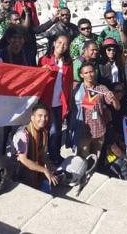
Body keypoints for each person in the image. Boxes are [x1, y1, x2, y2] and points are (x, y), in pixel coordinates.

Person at [39, 33, 73, 164]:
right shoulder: (44, 60)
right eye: (59, 42)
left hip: (59, 102)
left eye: (65, 44)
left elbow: (69, 83)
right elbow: (36, 79)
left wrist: (68, 102)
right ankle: (41, 155)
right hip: (45, 101)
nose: (61, 46)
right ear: (53, 43)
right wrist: (42, 70)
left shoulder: (68, 63)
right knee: (44, 130)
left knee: (56, 131)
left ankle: (55, 156)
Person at [74, 62, 120, 158]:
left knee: (95, 156)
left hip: (99, 129)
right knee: (82, 156)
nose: (89, 75)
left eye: (91, 72)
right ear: (81, 75)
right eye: (86, 73)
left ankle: (92, 170)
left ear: (95, 72)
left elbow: (117, 107)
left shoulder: (101, 88)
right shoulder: (77, 89)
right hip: (83, 129)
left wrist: (114, 98)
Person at [13, 103, 58, 190]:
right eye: (40, 116)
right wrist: (45, 170)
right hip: (19, 171)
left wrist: (50, 167)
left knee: (50, 185)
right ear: (32, 117)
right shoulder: (22, 134)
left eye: (46, 116)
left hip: (35, 169)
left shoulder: (44, 132)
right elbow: (23, 160)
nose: (43, 119)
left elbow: (43, 155)